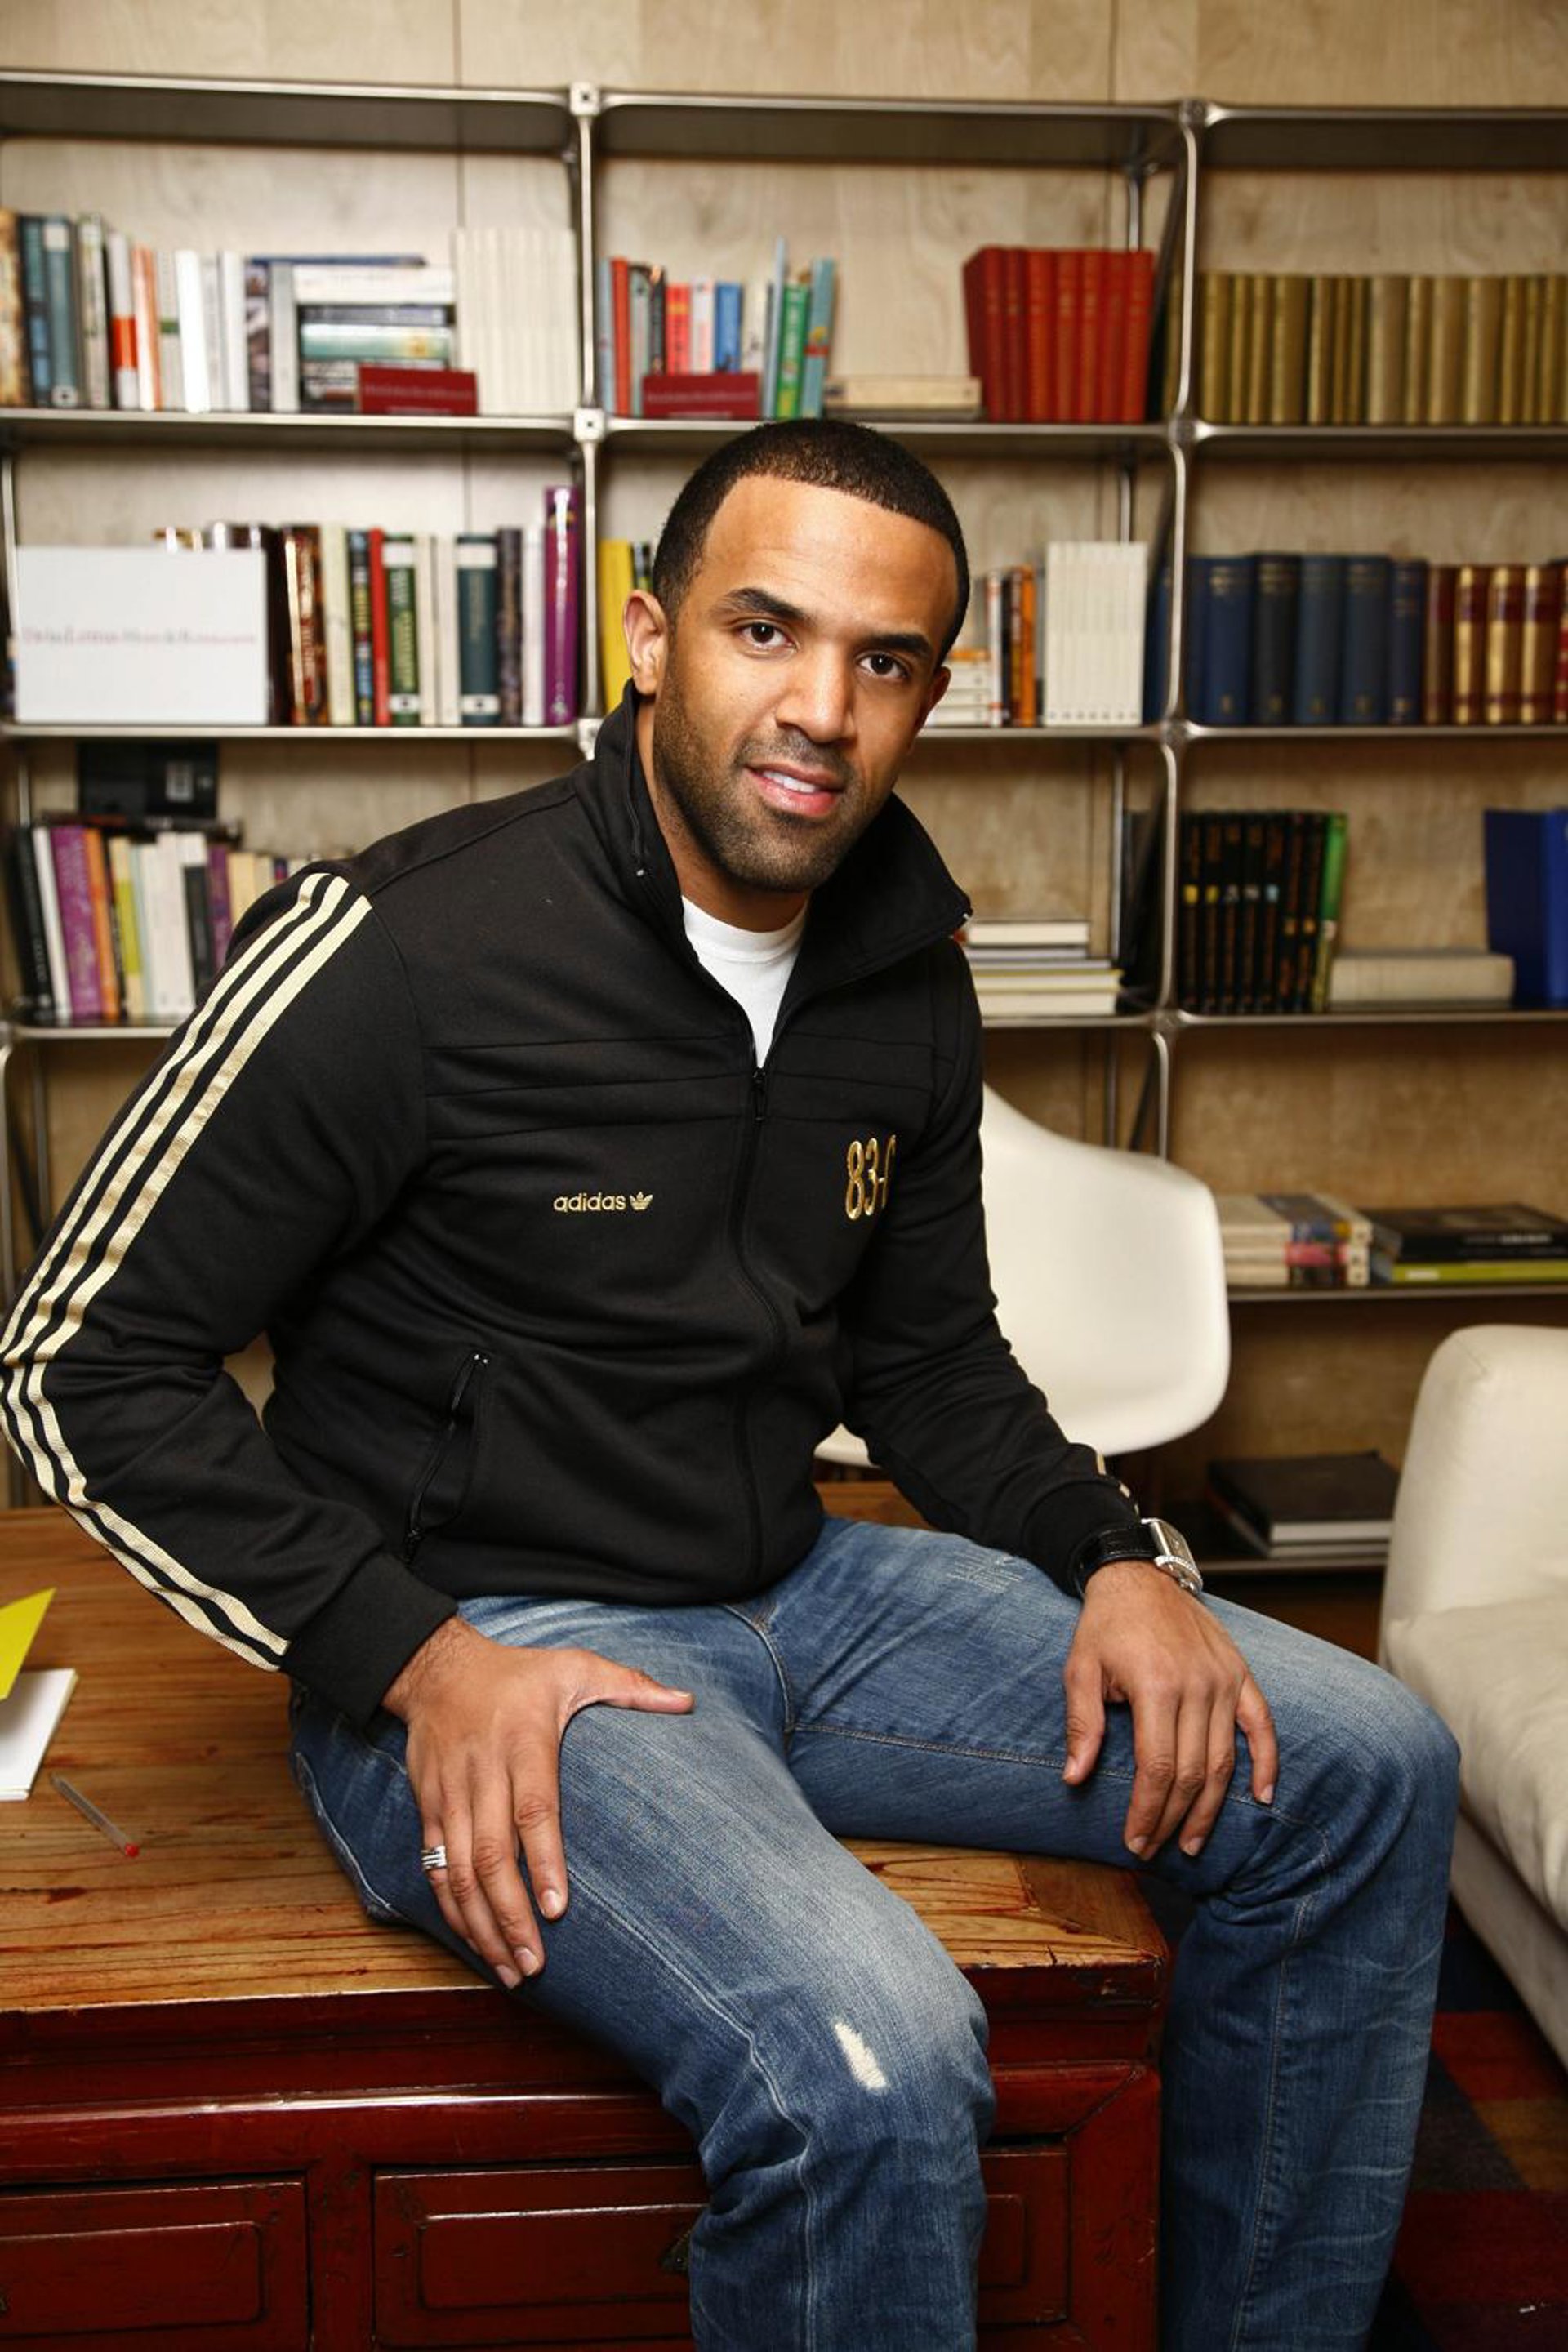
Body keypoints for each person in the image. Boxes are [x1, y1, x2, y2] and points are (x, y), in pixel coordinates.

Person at [1, 420, 1458, 2351]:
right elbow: (76, 1362)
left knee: (1364, 1767)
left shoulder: (903, 970)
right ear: (647, 636)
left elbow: (929, 1357)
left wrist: (1118, 1559)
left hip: (802, 1588)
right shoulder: (402, 948)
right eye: (766, 630)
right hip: (491, 1644)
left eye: (884, 661)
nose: (821, 710)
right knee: (873, 2057)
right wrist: (411, 1658)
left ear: (934, 694)